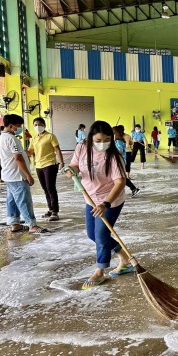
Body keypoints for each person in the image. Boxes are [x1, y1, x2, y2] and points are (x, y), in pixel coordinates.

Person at [65, 121, 132, 289]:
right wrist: (71, 170)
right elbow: (74, 165)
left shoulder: (113, 156)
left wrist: (106, 203)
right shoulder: (82, 147)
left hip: (110, 200)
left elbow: (120, 181)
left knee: (101, 235)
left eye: (107, 139)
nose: (103, 144)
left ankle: (100, 271)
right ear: (91, 138)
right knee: (92, 234)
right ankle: (124, 258)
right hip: (91, 198)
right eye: (99, 140)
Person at [0, 114, 48, 234]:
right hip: (17, 175)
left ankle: (14, 223)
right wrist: (28, 175)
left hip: (9, 174)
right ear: (11, 126)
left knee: (12, 199)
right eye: (18, 126)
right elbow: (18, 159)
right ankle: (32, 225)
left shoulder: (3, 137)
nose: (20, 128)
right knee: (24, 200)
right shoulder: (11, 139)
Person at [27, 117, 65, 221]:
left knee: (50, 188)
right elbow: (30, 152)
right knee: (45, 189)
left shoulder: (50, 136)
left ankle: (55, 211)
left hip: (50, 164)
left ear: (44, 125)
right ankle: (50, 209)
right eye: (35, 125)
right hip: (38, 165)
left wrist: (61, 162)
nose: (37, 126)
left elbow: (57, 149)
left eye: (39, 124)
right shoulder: (34, 138)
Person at [113, 127, 140, 197]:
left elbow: (120, 152)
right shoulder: (117, 141)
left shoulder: (119, 142)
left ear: (117, 134)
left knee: (121, 177)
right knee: (120, 176)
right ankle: (133, 189)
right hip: (119, 161)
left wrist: (111, 150)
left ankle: (133, 188)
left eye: (113, 133)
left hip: (120, 161)